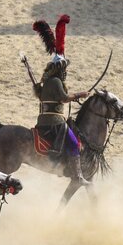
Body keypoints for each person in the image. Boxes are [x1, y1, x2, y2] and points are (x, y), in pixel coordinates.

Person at [33, 15, 90, 185]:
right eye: (64, 68)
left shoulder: (47, 82)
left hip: (43, 120)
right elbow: (64, 99)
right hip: (54, 121)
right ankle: (78, 175)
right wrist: (80, 95)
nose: (65, 72)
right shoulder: (56, 81)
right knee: (73, 143)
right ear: (59, 68)